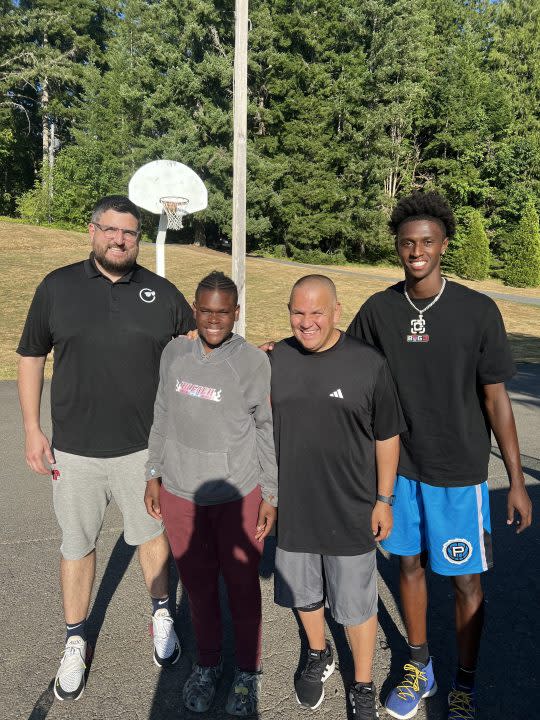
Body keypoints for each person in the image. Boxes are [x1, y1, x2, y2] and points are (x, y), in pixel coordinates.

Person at [347, 191, 533, 720]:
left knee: (466, 579)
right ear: (397, 248)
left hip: (460, 471)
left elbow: (496, 399)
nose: (416, 251)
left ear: (444, 245)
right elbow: (345, 358)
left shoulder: (477, 310)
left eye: (427, 241)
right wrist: (286, 350)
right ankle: (420, 666)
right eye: (407, 243)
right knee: (408, 567)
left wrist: (516, 481)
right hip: (402, 469)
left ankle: (464, 683)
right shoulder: (380, 310)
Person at [17, 195, 195, 701]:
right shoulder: (58, 286)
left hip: (145, 450)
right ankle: (76, 638)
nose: (120, 240)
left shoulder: (160, 292)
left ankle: (161, 614)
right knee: (77, 545)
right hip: (74, 451)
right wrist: (33, 428)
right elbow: (31, 356)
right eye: (110, 230)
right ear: (92, 231)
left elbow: (198, 345)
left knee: (151, 536)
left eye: (130, 233)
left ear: (139, 238)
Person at [269, 274, 405, 719]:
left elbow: (387, 436)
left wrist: (385, 498)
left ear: (336, 312)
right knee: (304, 594)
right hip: (295, 507)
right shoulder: (276, 359)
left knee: (355, 605)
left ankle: (362, 683)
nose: (306, 322)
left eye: (317, 312)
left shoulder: (368, 363)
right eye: (298, 312)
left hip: (351, 508)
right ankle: (317, 653)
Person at [144, 270, 278, 717]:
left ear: (236, 314)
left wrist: (271, 496)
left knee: (242, 589)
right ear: (195, 311)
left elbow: (266, 430)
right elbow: (162, 410)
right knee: (199, 590)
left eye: (223, 312)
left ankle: (247, 671)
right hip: (181, 495)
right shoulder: (175, 353)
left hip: (238, 495)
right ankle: (208, 663)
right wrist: (153, 471)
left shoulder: (252, 362)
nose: (214, 320)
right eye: (206, 311)